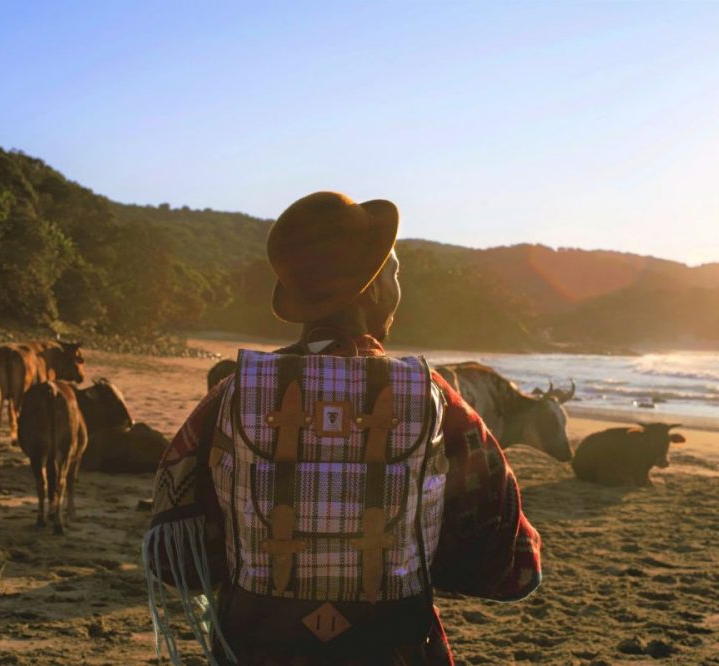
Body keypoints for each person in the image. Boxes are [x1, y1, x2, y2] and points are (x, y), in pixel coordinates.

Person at [143, 191, 542, 666]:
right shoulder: (435, 397)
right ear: (371, 289)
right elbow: (509, 564)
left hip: (254, 650)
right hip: (393, 649)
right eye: (395, 274)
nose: (398, 287)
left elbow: (173, 556)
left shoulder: (229, 397)